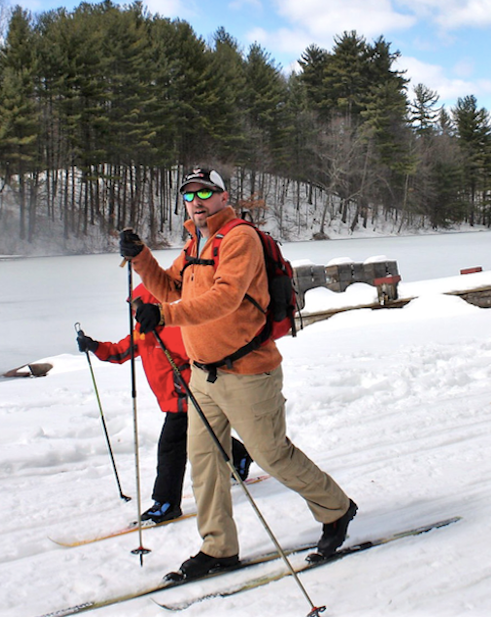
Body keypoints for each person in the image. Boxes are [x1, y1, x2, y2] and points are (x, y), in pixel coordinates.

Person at [120, 167, 356, 580]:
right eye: (189, 196)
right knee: (205, 463)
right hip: (202, 376)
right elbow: (171, 289)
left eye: (204, 193)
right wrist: (141, 259)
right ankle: (218, 548)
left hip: (248, 372)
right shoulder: (195, 243)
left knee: (271, 455)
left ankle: (337, 509)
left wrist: (166, 315)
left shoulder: (239, 238)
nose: (196, 202)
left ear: (224, 197)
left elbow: (226, 298)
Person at [76, 282, 253, 524]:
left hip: (189, 399)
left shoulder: (173, 331)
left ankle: (166, 503)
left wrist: (189, 381)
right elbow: (119, 352)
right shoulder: (142, 333)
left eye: (138, 305)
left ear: (153, 304)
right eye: (132, 306)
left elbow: (201, 357)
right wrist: (93, 346)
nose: (134, 311)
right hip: (173, 401)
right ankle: (241, 455)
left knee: (170, 449)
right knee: (204, 435)